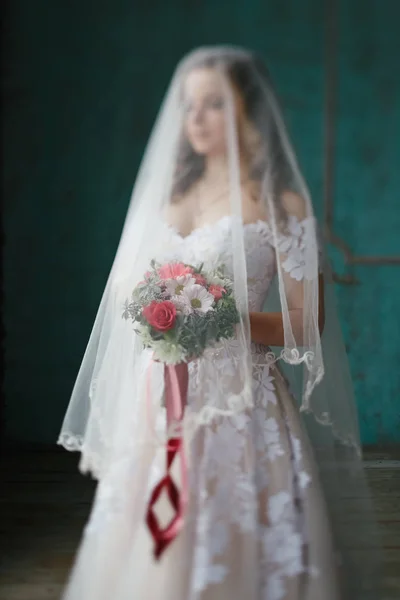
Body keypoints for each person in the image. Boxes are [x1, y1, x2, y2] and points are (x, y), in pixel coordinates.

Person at [58, 46, 381, 600]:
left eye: (214, 104)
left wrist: (219, 314)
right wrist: (157, 309)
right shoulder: (165, 195)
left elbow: (307, 324)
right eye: (190, 106)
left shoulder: (282, 204)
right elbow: (120, 295)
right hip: (158, 399)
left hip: (243, 404)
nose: (197, 119)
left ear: (248, 114)